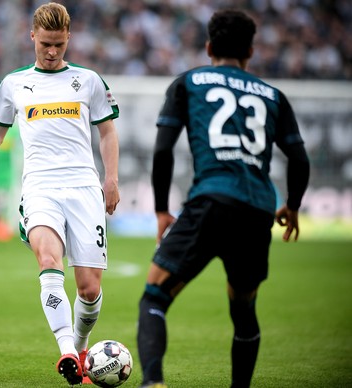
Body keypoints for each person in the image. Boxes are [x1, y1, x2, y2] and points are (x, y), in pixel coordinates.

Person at [136, 9, 310, 388]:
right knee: (243, 308)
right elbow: (299, 158)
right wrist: (293, 206)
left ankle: (153, 383)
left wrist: (163, 209)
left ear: (208, 46)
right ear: (251, 50)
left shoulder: (189, 82)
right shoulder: (274, 96)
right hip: (258, 209)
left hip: (211, 200)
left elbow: (163, 150)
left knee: (154, 297)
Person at [0, 2, 120, 385]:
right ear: (32, 37)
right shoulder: (14, 84)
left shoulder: (89, 80)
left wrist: (111, 180)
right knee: (48, 259)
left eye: (59, 44)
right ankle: (65, 353)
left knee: (89, 288)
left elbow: (107, 132)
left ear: (68, 39)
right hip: (40, 186)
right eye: (46, 43)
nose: (52, 51)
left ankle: (79, 347)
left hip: (84, 186)